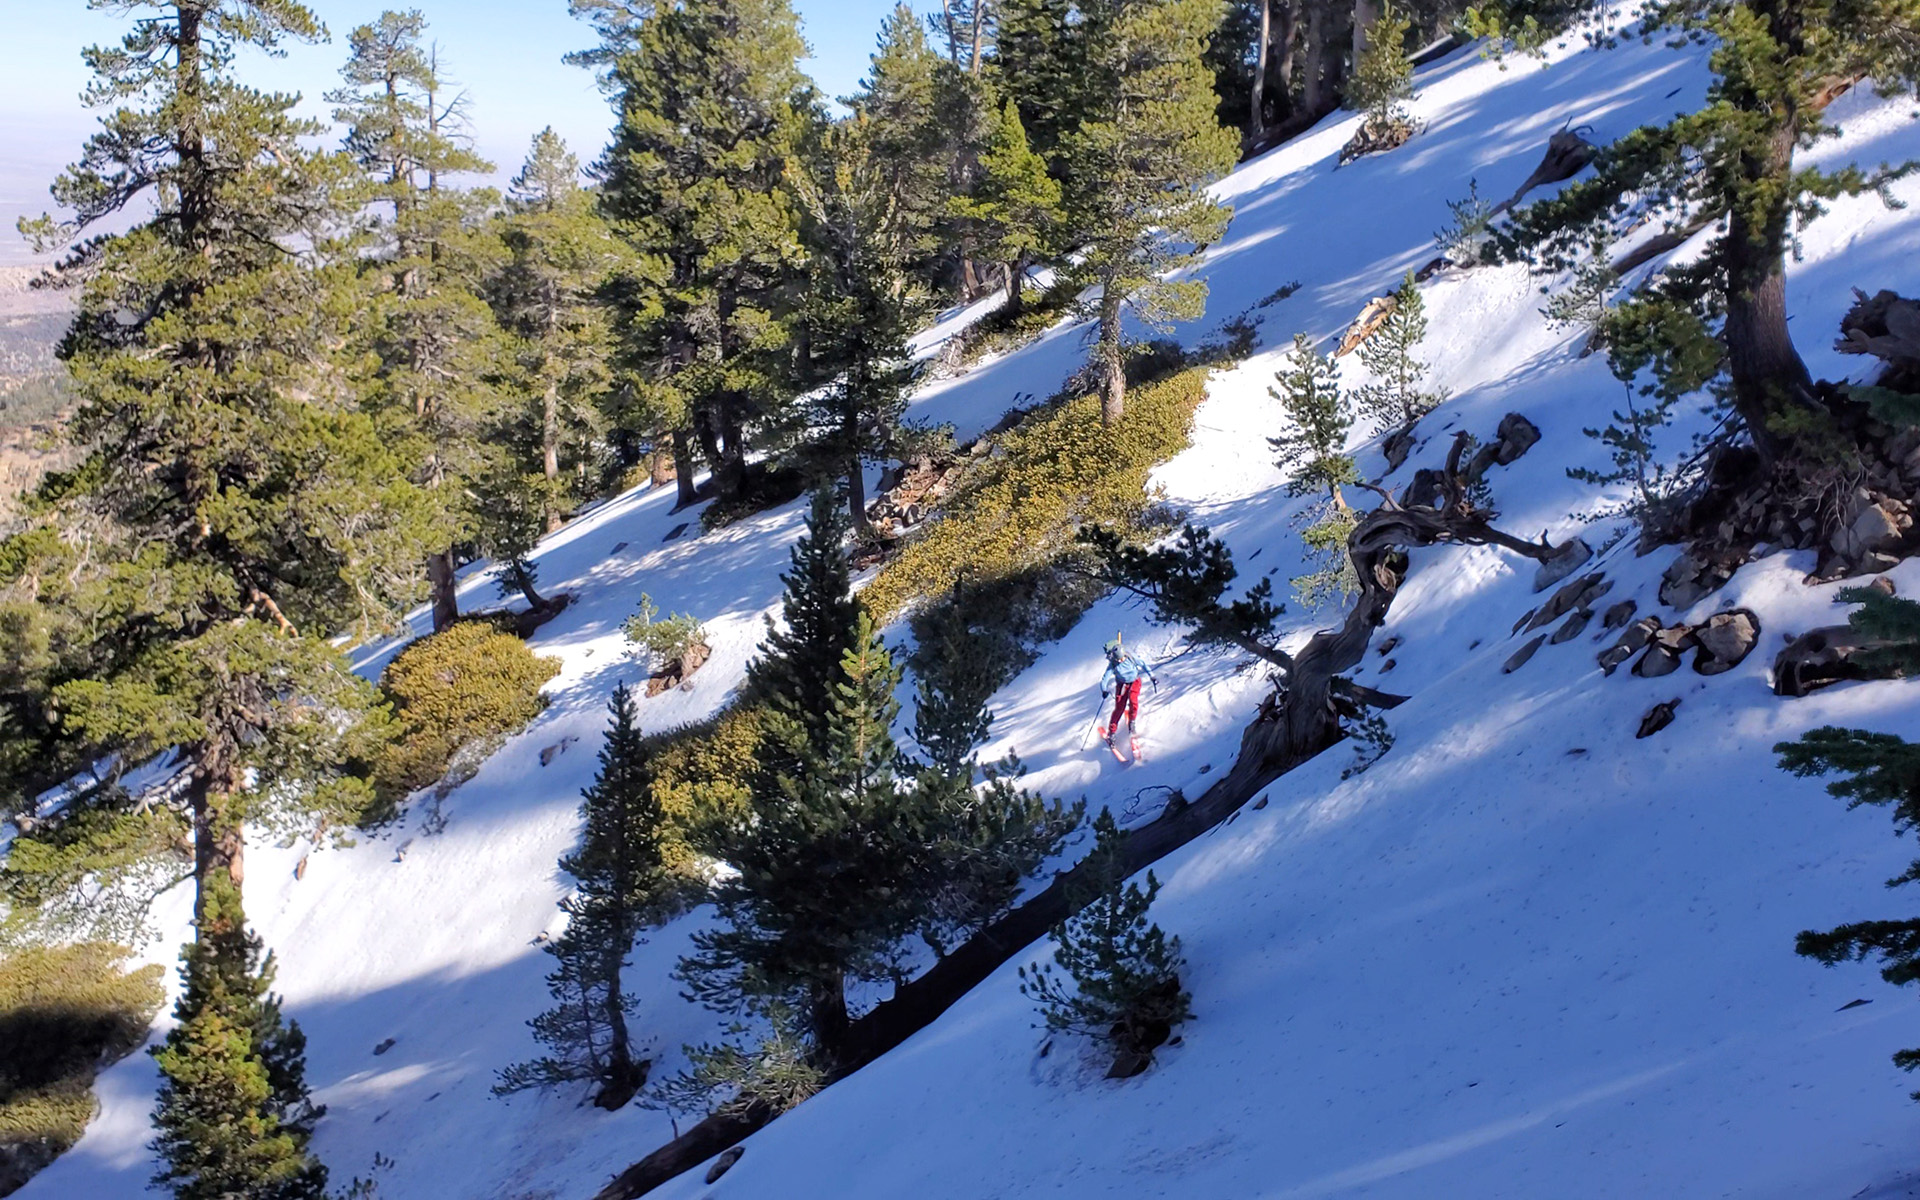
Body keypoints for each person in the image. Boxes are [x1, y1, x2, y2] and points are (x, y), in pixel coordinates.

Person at [1098, 637, 1156, 752]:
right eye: (1117, 660)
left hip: (1134, 681)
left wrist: (1152, 676)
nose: (1119, 661)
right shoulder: (1113, 664)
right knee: (1119, 708)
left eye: (1120, 659)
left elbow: (1143, 665)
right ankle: (1112, 733)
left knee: (1133, 701)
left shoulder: (1130, 657)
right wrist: (1104, 690)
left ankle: (1132, 723)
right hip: (1122, 685)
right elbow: (1104, 679)